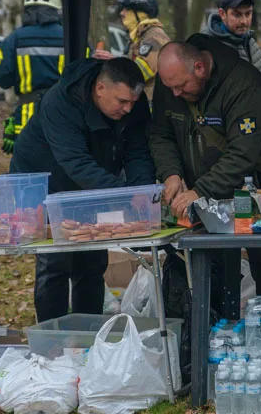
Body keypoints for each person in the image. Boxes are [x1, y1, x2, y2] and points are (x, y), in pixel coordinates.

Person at [150, 38, 261, 305]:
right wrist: (171, 173)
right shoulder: (170, 82)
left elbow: (242, 154)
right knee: (210, 273)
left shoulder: (245, 85)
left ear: (200, 68)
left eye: (181, 86)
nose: (176, 94)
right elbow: (160, 134)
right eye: (171, 88)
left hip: (256, 194)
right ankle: (215, 335)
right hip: (201, 199)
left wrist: (199, 190)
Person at [10, 57, 154, 321]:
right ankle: (51, 337)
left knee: (93, 259)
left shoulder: (133, 104)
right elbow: (75, 162)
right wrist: (122, 196)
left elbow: (138, 151)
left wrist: (141, 190)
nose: (128, 108)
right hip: (46, 178)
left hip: (96, 179)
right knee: (56, 261)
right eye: (122, 101)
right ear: (100, 88)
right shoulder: (60, 101)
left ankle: (87, 332)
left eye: (133, 102)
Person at [0, 0, 65, 154]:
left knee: (28, 174)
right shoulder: (69, 36)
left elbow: (1, 77)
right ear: (55, 9)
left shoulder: (14, 39)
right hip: (64, 117)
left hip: (26, 119)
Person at [115, 0, 171, 99]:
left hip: (153, 106)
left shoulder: (154, 37)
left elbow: (139, 73)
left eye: (127, 10)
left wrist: (112, 67)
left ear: (141, 14)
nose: (122, 13)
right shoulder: (140, 36)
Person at [203, 0, 261, 74]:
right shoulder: (206, 46)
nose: (244, 21)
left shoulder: (252, 45)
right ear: (222, 14)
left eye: (248, 14)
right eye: (237, 15)